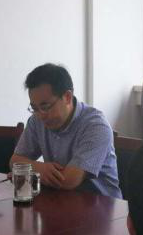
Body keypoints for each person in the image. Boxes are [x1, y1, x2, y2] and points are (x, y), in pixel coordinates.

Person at [10, 63, 119, 197]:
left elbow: (68, 180)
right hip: (60, 200)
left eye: (45, 107)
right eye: (34, 108)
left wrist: (27, 172)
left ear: (67, 97)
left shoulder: (96, 126)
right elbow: (14, 161)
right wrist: (39, 168)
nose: (40, 115)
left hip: (101, 205)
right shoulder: (36, 120)